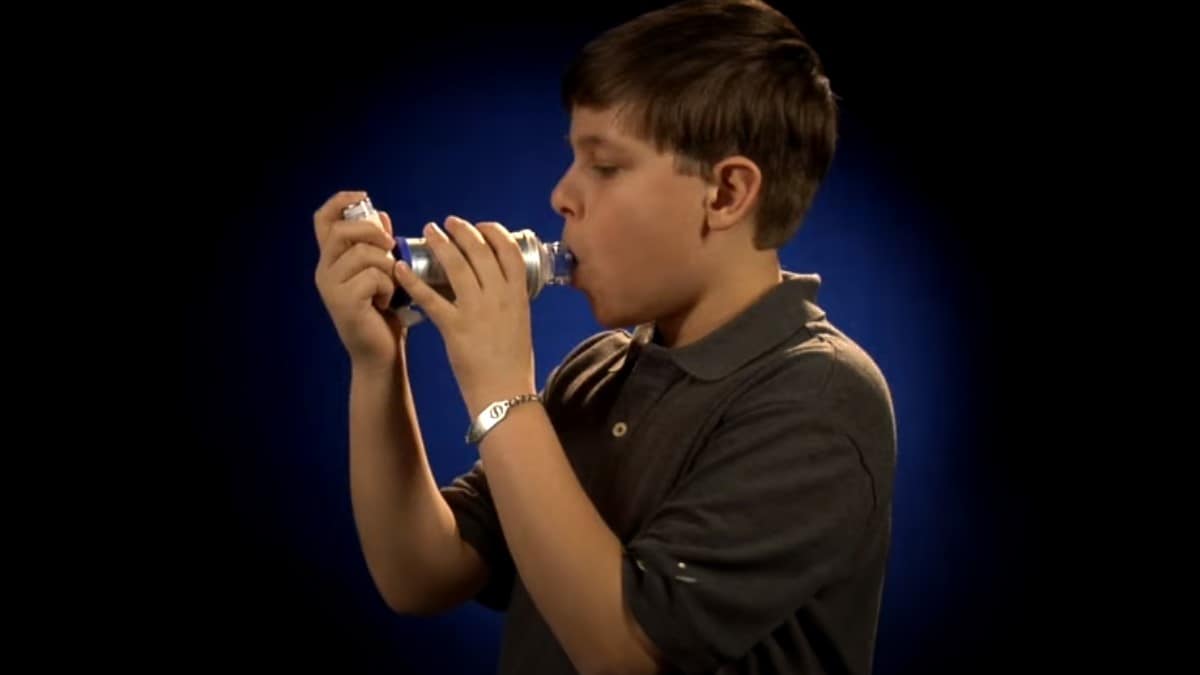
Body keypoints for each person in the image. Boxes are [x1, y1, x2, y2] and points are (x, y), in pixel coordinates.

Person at [311, 1, 896, 672]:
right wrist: (378, 362)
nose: (561, 195)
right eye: (572, 160)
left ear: (727, 193)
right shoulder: (599, 370)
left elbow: (623, 650)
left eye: (607, 166)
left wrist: (501, 389)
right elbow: (419, 572)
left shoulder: (820, 396)